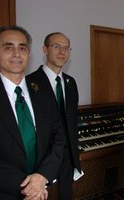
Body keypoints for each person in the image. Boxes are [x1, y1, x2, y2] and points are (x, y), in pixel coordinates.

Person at [0, 25, 65, 200]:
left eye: (22, 48)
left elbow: (58, 139)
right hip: (0, 194)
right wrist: (29, 185)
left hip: (42, 190)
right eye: (8, 47)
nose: (16, 54)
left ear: (28, 54)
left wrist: (42, 176)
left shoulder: (44, 93)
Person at [27, 32, 82, 200]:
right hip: (42, 157)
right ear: (45, 49)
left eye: (66, 48)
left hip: (68, 156)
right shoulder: (29, 83)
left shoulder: (70, 83)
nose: (62, 52)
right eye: (56, 46)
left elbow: (72, 120)